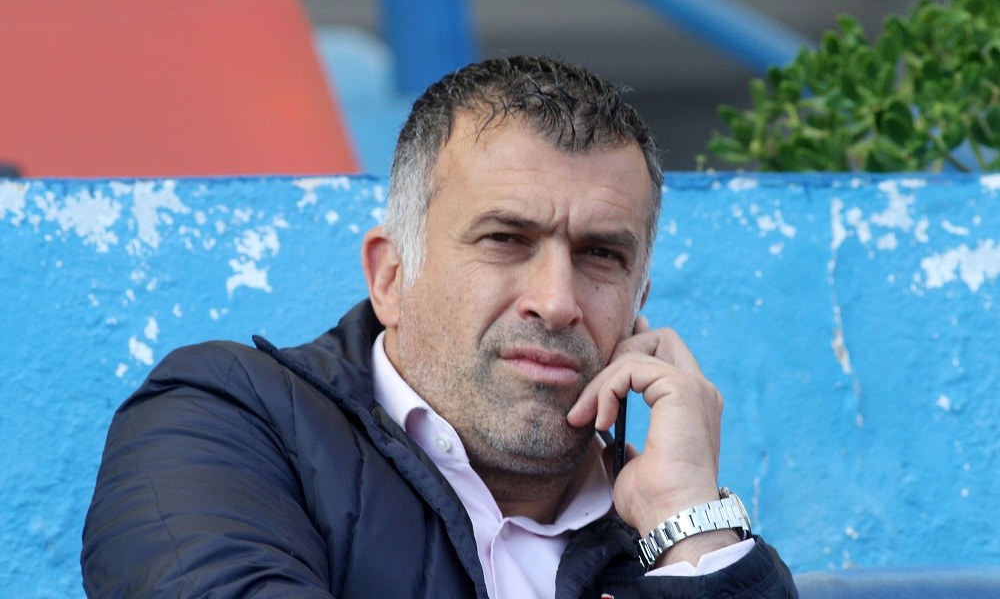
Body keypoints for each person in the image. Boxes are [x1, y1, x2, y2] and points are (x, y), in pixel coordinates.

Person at [82, 56, 797, 598]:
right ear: (391, 277)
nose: (556, 302)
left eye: (601, 255)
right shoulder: (224, 419)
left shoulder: (672, 543)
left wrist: (685, 518)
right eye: (505, 239)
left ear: (639, 300)